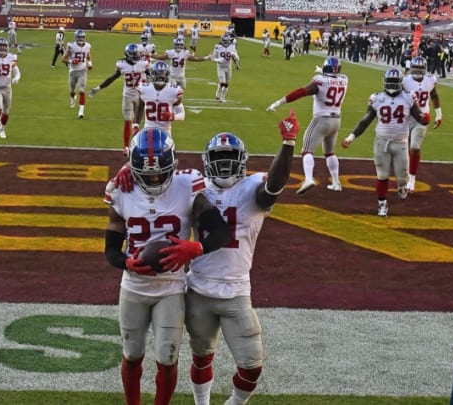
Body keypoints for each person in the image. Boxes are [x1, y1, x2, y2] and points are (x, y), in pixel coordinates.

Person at [103, 128, 232, 405]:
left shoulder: (188, 185)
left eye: (160, 172)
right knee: (132, 354)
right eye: (146, 173)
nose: (153, 178)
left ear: (173, 166)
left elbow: (221, 232)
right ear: (133, 168)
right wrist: (127, 262)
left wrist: (195, 248)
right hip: (134, 286)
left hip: (171, 287)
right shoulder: (120, 189)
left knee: (167, 356)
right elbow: (110, 250)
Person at [186, 111, 299, 405]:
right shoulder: (194, 187)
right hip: (198, 287)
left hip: (236, 290)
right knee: (201, 356)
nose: (224, 163)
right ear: (207, 160)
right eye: (219, 157)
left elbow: (273, 187)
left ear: (242, 160)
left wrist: (288, 142)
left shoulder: (252, 187)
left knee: (252, 365)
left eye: (229, 157)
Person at [341, 68, 429, 217]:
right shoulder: (377, 98)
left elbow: (417, 114)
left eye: (395, 82)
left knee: (403, 178)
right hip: (381, 143)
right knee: (382, 175)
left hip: (401, 143)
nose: (392, 84)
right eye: (390, 81)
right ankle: (382, 205)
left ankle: (402, 187)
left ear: (400, 83)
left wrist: (423, 118)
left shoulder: (408, 98)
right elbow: (365, 121)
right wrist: (351, 137)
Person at [266, 56, 348, 193]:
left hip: (321, 119)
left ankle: (309, 179)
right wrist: (321, 71)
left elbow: (301, 92)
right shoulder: (344, 79)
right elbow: (332, 77)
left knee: (307, 150)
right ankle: (336, 182)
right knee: (330, 153)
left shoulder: (320, 81)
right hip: (336, 120)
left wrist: (279, 102)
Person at [89, 44, 151, 156]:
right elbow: (112, 78)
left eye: (137, 55)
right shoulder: (126, 64)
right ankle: (127, 147)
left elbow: (151, 76)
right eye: (134, 55)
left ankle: (135, 146)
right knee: (129, 121)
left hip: (140, 97)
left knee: (139, 123)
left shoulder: (141, 64)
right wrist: (98, 88)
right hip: (129, 96)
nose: (136, 57)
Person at [402, 56, 442, 193]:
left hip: (422, 118)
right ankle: (407, 173)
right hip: (406, 117)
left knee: (415, 147)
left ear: (425, 69)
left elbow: (434, 96)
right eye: (416, 67)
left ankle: (412, 180)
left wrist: (439, 114)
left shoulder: (430, 80)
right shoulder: (405, 80)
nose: (418, 70)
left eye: (420, 67)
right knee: (406, 149)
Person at [138, 61, 185, 136]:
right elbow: (140, 108)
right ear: (152, 74)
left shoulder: (174, 91)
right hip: (148, 129)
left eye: (163, 73)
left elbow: (182, 114)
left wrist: (172, 116)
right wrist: (135, 125)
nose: (161, 76)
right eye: (157, 73)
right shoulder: (144, 89)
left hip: (165, 131)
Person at [61, 29, 93, 119]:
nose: (80, 39)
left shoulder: (87, 46)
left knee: (82, 91)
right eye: (79, 37)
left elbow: (88, 56)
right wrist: (71, 61)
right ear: (75, 37)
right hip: (73, 71)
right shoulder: (71, 46)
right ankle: (73, 97)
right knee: (72, 91)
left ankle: (81, 112)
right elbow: (63, 59)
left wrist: (90, 64)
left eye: (82, 37)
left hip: (82, 71)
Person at [211, 35, 241, 103]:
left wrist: (235, 55)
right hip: (220, 67)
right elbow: (213, 58)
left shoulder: (232, 47)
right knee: (223, 83)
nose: (225, 42)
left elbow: (238, 58)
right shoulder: (217, 47)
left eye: (226, 41)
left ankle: (221, 95)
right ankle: (221, 97)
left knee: (227, 84)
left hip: (228, 67)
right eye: (224, 40)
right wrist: (218, 60)